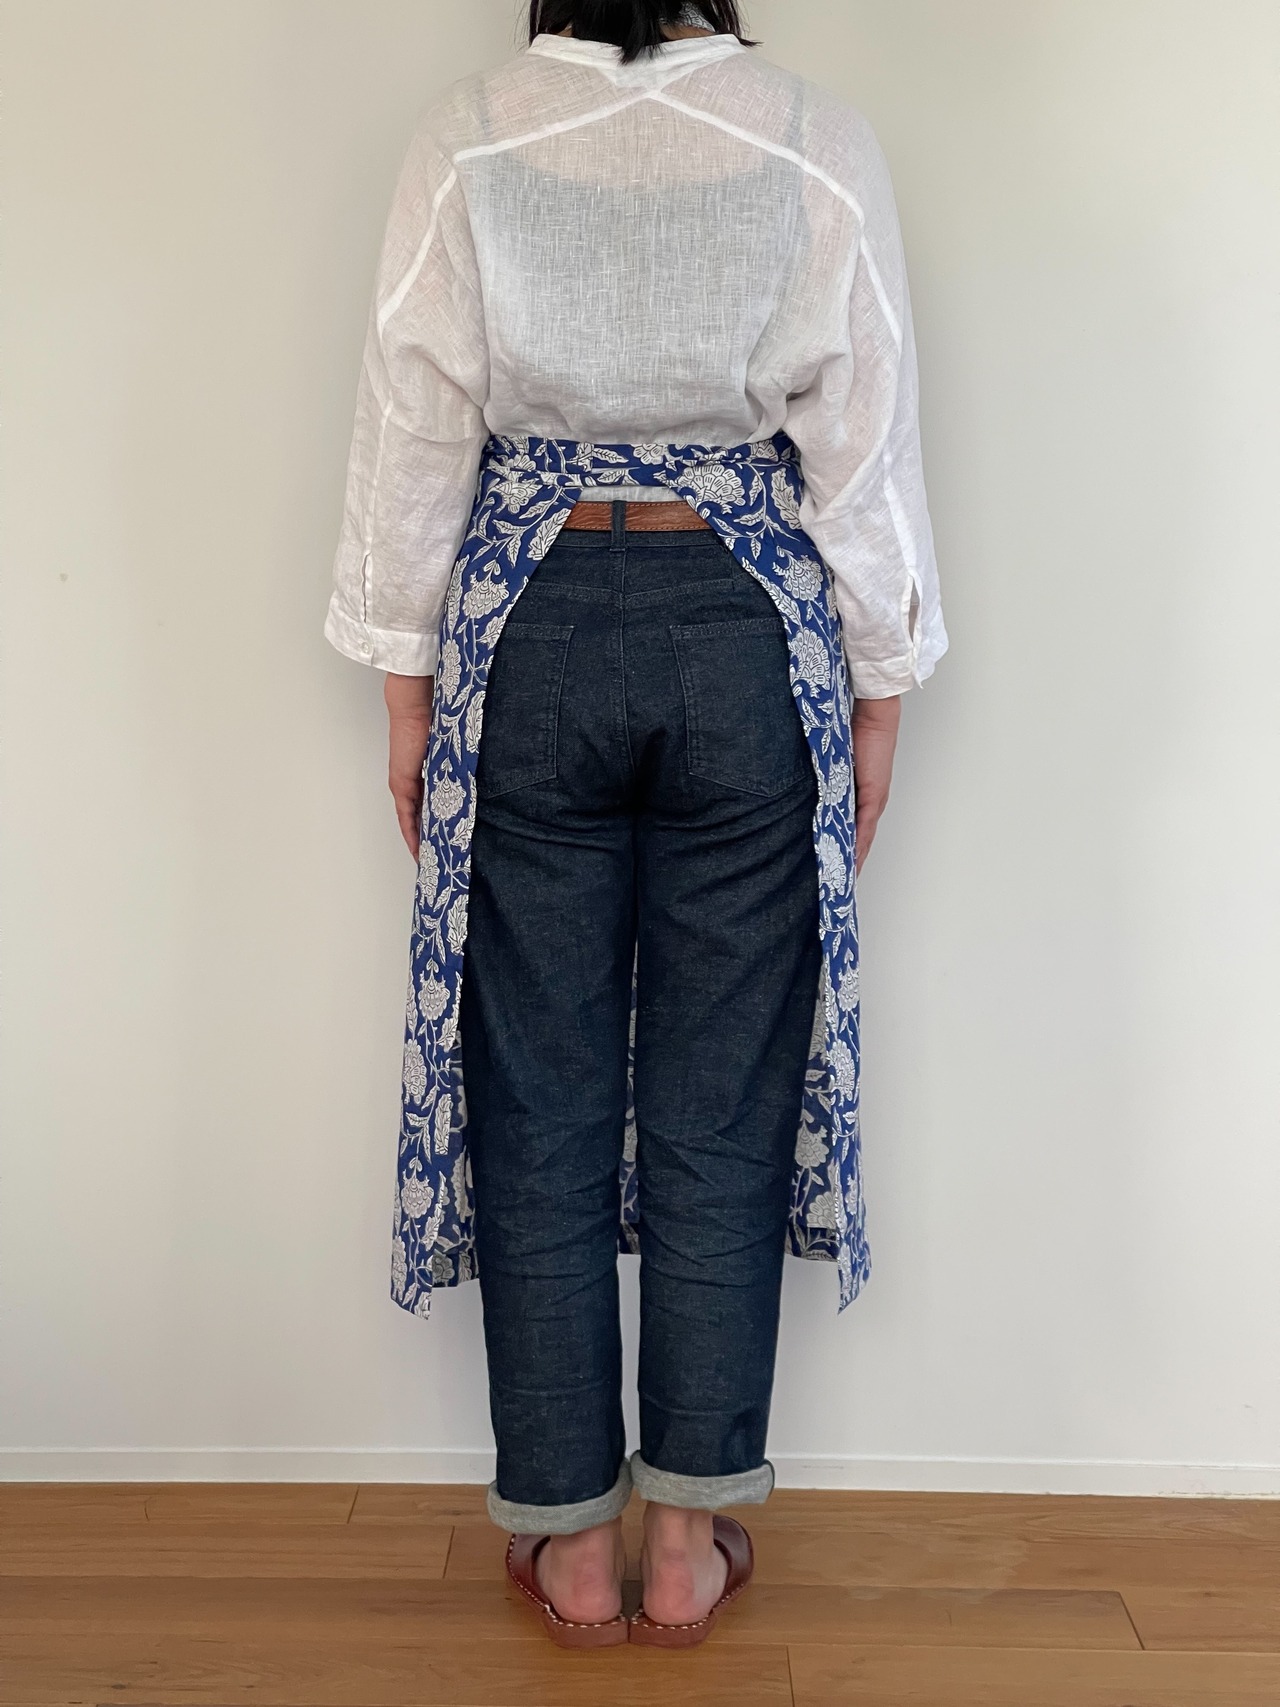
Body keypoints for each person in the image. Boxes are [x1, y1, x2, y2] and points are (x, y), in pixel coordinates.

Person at [325, 0, 946, 1649]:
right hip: (748, 625)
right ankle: (685, 1543)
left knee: (536, 1089)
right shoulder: (813, 137)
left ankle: (571, 1549)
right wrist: (880, 689)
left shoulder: (468, 136)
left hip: (526, 624)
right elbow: (865, 436)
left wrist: (406, 694)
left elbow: (413, 421)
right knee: (720, 1095)